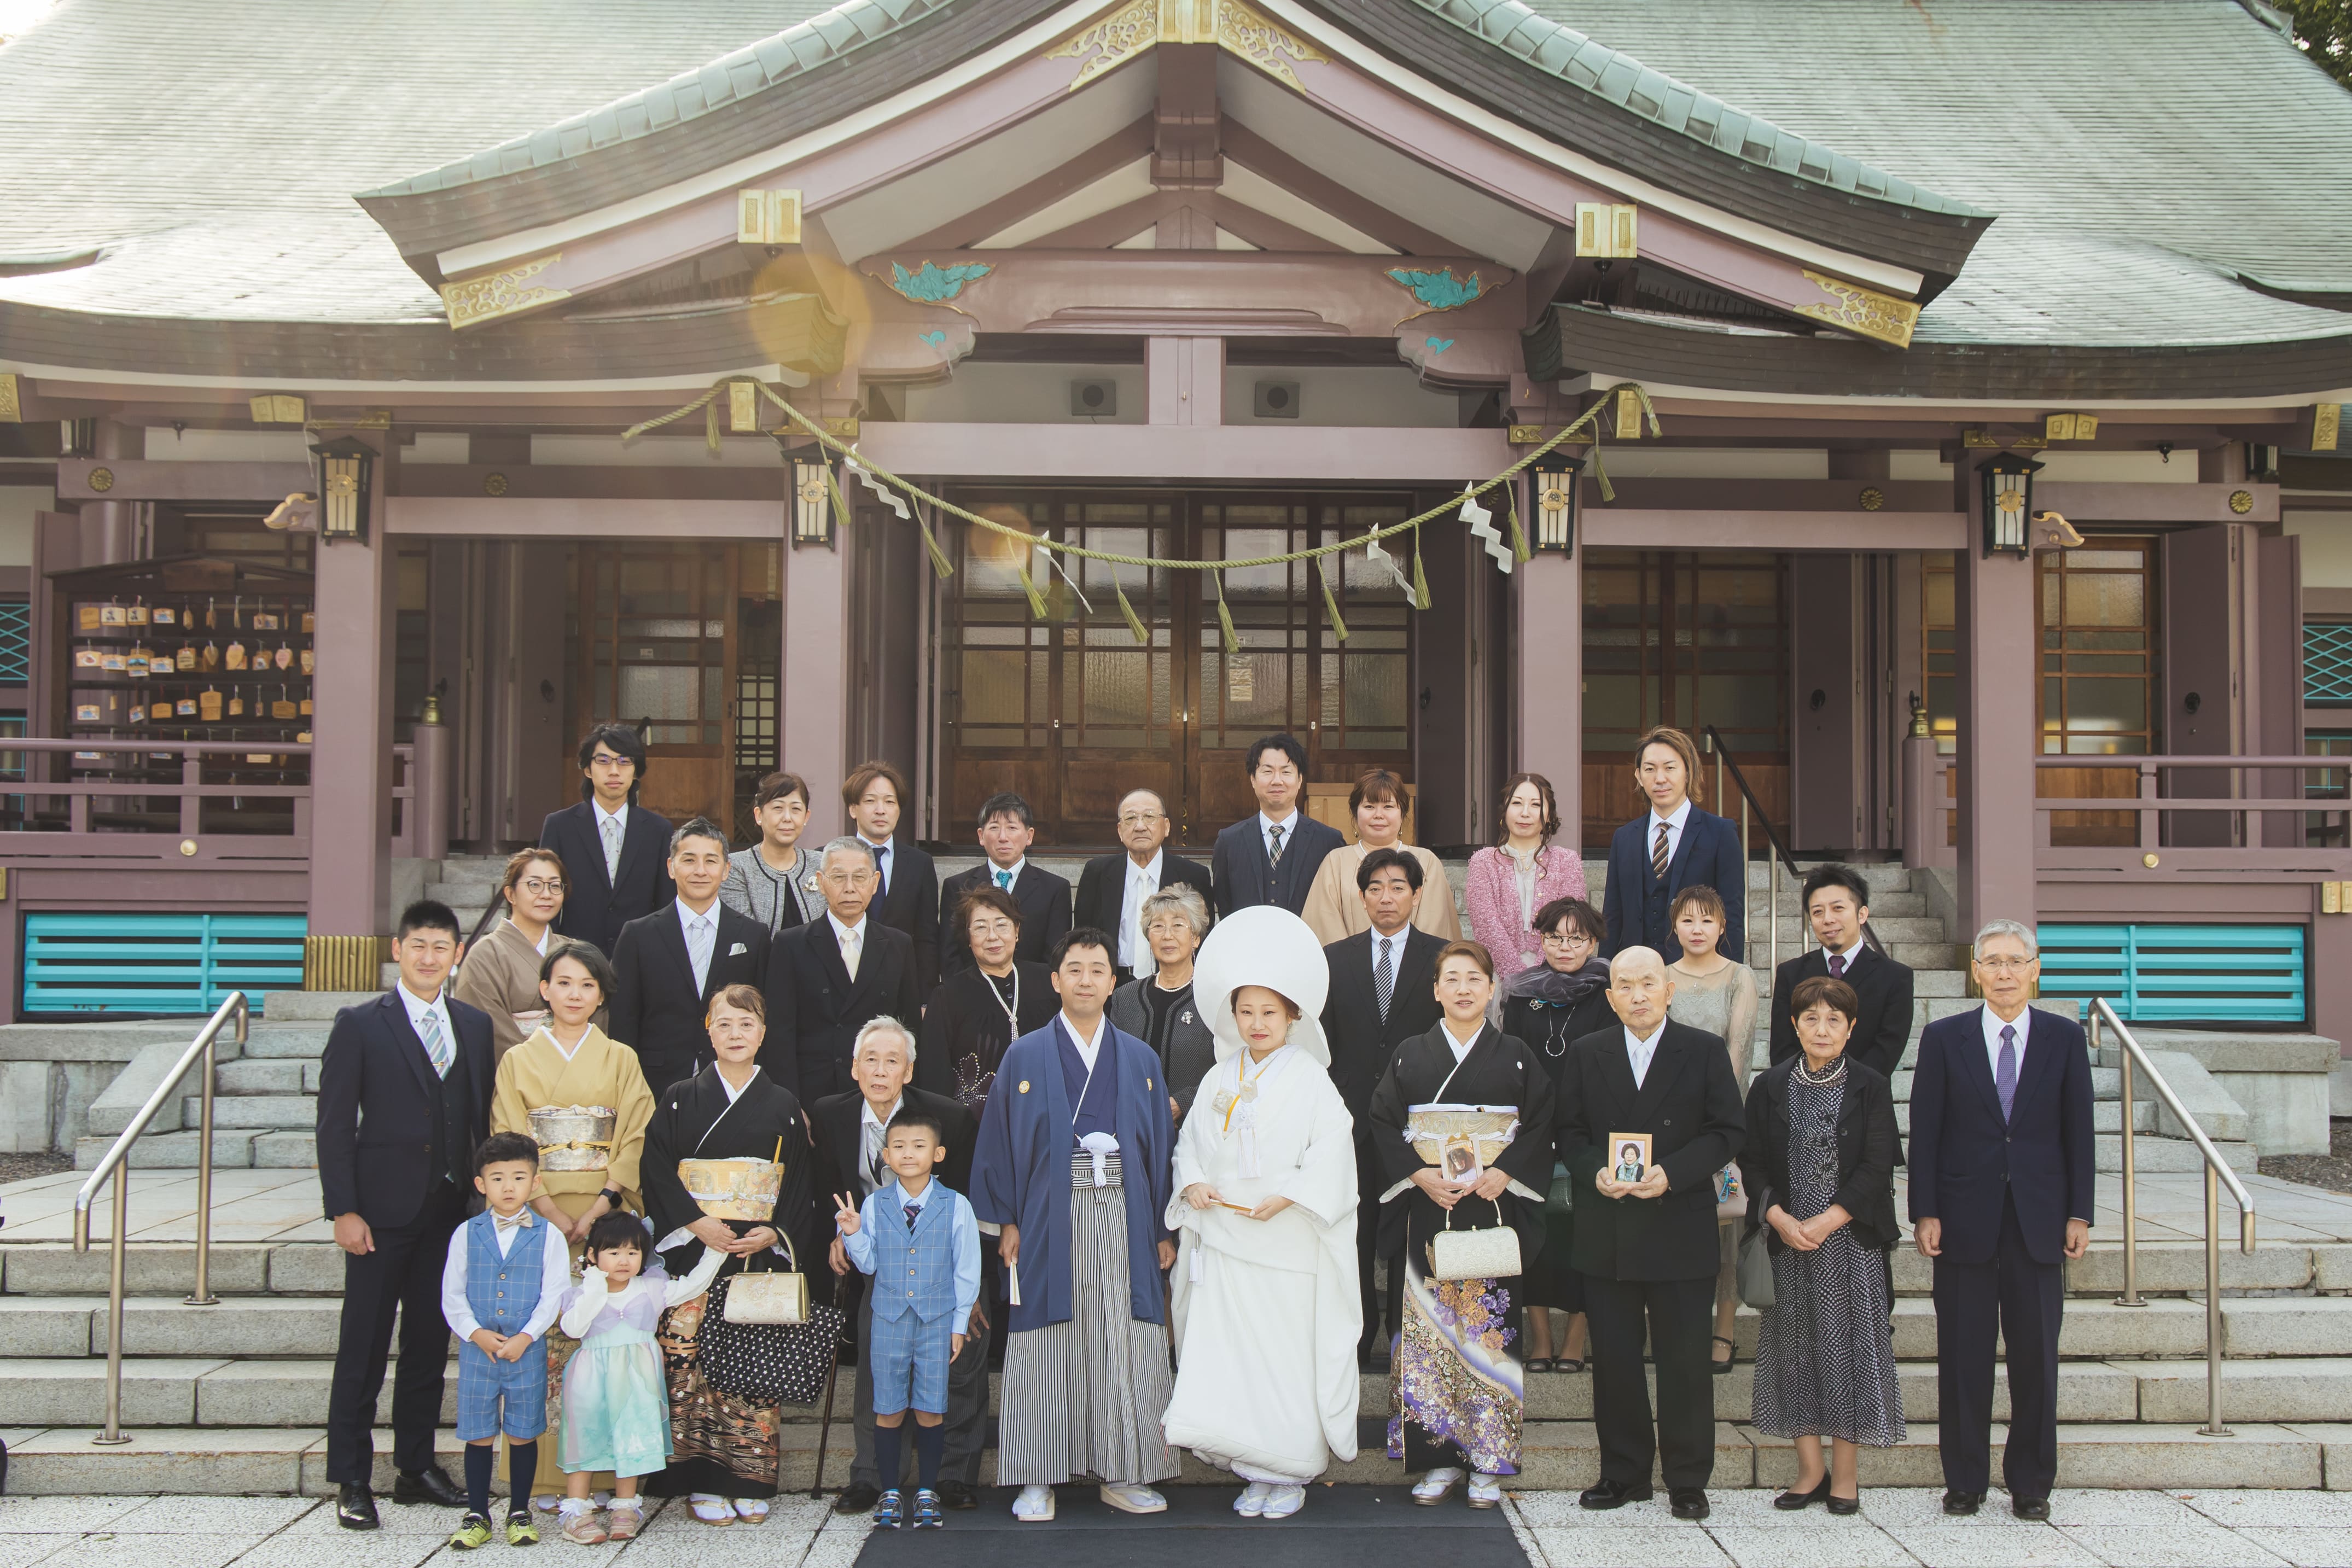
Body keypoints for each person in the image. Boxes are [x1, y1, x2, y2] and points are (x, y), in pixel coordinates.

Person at [969, 928, 1179, 1522]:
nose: (1086, 979)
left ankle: (1125, 1468)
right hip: (1046, 1213)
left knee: (1125, 1336)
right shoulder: (1024, 1055)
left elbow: (1160, 1148)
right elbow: (999, 1140)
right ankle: (1037, 1474)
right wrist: (1007, 1218)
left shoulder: (1139, 1058)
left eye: (1098, 969)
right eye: (1075, 969)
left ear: (1114, 983)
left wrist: (1162, 1226)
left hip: (1125, 1209)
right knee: (1044, 1339)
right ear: (1055, 980)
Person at [1162, 906, 1359, 1518]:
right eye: (1246, 1012)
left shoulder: (1311, 1077)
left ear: (1292, 1016)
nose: (1256, 1023)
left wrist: (1292, 1195)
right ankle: (1253, 1466)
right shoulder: (1220, 1074)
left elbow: (1333, 1148)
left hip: (1285, 1237)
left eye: (1269, 1012)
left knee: (1282, 1355)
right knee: (1235, 1356)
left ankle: (1290, 1468)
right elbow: (1190, 1143)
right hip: (1226, 1237)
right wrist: (1193, 1181)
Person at [316, 900, 494, 1529]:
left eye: (441, 946)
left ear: (457, 955)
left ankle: (415, 1467)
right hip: (379, 1213)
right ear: (397, 950)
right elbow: (334, 1124)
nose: (428, 957)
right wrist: (343, 1208)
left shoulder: (473, 1025)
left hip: (448, 1210)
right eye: (418, 944)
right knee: (363, 1345)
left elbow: (478, 1116)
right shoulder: (360, 1024)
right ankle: (352, 1477)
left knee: (426, 1342)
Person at [1909, 920, 2093, 1522]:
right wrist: (1925, 1209)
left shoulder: (2064, 1038)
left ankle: (2032, 1482)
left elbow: (2079, 1130)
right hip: (1962, 1217)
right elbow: (1926, 1130)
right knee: (1963, 1355)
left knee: (2035, 1356)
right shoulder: (1945, 1037)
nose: (2005, 972)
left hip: (2040, 1219)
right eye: (1993, 961)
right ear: (1976, 971)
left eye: (2016, 961)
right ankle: (1964, 1480)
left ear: (2035, 969)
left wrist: (2080, 1211)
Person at [1554, 945, 1745, 1522]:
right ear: (1610, 997)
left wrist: (1674, 1173)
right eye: (1625, 985)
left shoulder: (1704, 1050)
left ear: (1669, 990)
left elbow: (1726, 1131)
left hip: (1679, 1222)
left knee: (1685, 1362)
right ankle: (1623, 1472)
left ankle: (1687, 1478)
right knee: (1614, 1360)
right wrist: (1595, 1171)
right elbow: (1569, 1131)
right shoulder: (1587, 1051)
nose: (1637, 995)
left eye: (1647, 983)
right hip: (1607, 1226)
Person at [489, 940, 658, 1514]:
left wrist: (603, 1203)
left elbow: (634, 1133)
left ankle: (607, 1471)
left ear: (601, 995)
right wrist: (547, 1207)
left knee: (605, 1343)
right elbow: (509, 1134)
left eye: (587, 984)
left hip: (604, 1218)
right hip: (537, 1215)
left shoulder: (621, 1058)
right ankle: (544, 1478)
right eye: (563, 982)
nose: (575, 994)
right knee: (546, 1341)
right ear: (544, 989)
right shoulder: (518, 1059)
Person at [639, 986, 818, 1526]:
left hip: (753, 1254)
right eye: (725, 1023)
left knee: (751, 1364)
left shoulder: (783, 1104)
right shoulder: (678, 1097)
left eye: (746, 1024)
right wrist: (695, 1221)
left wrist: (773, 1230)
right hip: (695, 1247)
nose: (735, 1033)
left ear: (762, 1033)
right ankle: (697, 1478)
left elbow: (799, 1183)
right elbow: (655, 1166)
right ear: (708, 1030)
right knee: (688, 1360)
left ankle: (748, 1476)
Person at [1742, 976, 1904, 1515]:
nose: (1822, 1028)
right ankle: (1810, 1471)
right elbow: (1752, 1162)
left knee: (1847, 1354)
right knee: (1794, 1354)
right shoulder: (1769, 1085)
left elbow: (1877, 1164)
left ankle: (1846, 1476)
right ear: (1794, 1025)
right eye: (1811, 1018)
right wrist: (1779, 1217)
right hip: (1789, 1239)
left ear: (1851, 1028)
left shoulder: (1869, 1084)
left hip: (1849, 1241)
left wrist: (1829, 1220)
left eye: (1834, 1019)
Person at [811, 1018, 986, 1516]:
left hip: (940, 1257)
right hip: (877, 1254)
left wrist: (967, 1292)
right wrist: (841, 1234)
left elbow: (964, 1198)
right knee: (876, 1353)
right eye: (871, 1060)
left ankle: (952, 1473)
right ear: (854, 1067)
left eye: (892, 1061)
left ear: (909, 1070)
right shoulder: (830, 1113)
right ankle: (870, 1476)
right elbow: (827, 1185)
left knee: (966, 1349)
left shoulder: (947, 1118)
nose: (880, 1070)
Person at [1318, 847, 1445, 1366]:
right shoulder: (1334, 957)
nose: (1385, 897)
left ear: (1417, 894)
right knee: (1354, 1232)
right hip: (1350, 1120)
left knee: (1410, 1234)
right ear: (1361, 896)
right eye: (1375, 888)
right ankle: (1357, 1332)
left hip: (1417, 1125)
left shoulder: (1442, 958)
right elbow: (1323, 1043)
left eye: (1397, 887)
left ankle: (1404, 1336)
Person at [551, 1211, 726, 1544]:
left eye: (633, 1252)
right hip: (591, 1377)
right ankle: (577, 1513)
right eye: (614, 1252)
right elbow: (573, 1328)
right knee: (585, 1437)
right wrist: (594, 1288)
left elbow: (695, 1284)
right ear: (593, 1255)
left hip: (637, 1380)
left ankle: (625, 1508)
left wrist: (716, 1250)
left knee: (631, 1437)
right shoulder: (583, 1292)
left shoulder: (650, 1288)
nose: (624, 1260)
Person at [440, 1132, 568, 1550]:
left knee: (522, 1430)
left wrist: (527, 1335)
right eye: (497, 1178)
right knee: (478, 1431)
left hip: (525, 1350)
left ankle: (519, 1512)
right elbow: (452, 1293)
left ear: (535, 1182)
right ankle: (477, 1513)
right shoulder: (466, 1233)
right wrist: (474, 1332)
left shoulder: (550, 1235)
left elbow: (555, 1293)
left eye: (518, 1177)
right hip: (478, 1350)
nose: (508, 1187)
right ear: (481, 1184)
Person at [1501, 896, 1612, 1375]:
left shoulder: (1608, 991)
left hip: (1589, 1129)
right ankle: (1542, 1337)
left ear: (1593, 943)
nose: (1565, 947)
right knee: (1535, 1234)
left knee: (1584, 1235)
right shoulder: (1521, 992)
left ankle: (1576, 1337)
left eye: (1577, 938)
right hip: (1533, 1128)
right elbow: (1512, 1061)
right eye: (1555, 937)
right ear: (1540, 939)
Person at [1663, 884, 1760, 1375]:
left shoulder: (1740, 976)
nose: (1697, 929)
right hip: (1668, 1121)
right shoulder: (1661, 976)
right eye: (1688, 919)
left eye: (1707, 920)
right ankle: (1677, 1326)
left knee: (1725, 1223)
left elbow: (1738, 1049)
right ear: (1674, 927)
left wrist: (1719, 1119)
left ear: (1723, 926)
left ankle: (1723, 1329)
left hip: (1722, 1116)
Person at [610, 817, 772, 1091]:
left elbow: (765, 1014)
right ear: (671, 867)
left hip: (733, 1079)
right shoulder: (638, 935)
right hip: (654, 1082)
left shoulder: (753, 935)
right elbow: (623, 1019)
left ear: (726, 870)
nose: (700, 871)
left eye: (711, 861)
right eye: (689, 860)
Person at [763, 836, 923, 1104]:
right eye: (838, 878)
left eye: (859, 878)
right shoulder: (791, 944)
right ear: (821, 882)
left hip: (879, 1093)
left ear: (875, 883)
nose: (850, 888)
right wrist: (790, 1105)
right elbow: (780, 1034)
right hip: (812, 1093)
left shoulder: (899, 945)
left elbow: (910, 1029)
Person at [1600, 727, 1745, 964]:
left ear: (1688, 772)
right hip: (1636, 971)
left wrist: (1731, 974)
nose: (1660, 779)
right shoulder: (1624, 837)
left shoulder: (1720, 833)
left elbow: (1733, 913)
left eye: (1670, 768)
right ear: (1639, 776)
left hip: (1699, 971)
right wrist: (1605, 971)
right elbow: (1612, 916)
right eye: (1650, 769)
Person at [1768, 865, 1916, 1082]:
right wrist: (1809, 1086)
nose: (1828, 919)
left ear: (1862, 914)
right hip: (1799, 1095)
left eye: (1838, 908)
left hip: (1864, 1096)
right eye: (1818, 912)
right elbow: (1782, 1048)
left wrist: (1840, 1089)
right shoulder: (1790, 973)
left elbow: (1887, 1051)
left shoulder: (1895, 977)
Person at [917, 886, 1056, 1115]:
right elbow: (934, 1075)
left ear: (1017, 931)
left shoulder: (1049, 981)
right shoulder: (948, 996)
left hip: (1045, 1114)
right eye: (981, 927)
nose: (993, 936)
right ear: (969, 938)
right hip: (976, 1123)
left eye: (1002, 925)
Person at [539, 725, 676, 956]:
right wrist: (550, 955)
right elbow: (546, 896)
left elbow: (666, 904)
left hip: (639, 956)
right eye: (603, 761)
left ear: (636, 771)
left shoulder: (658, 830)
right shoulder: (559, 826)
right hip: (574, 957)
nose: (614, 771)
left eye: (624, 761)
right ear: (588, 769)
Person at [1300, 768, 1462, 945]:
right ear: (1355, 812)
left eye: (1388, 807)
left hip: (1414, 961)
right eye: (1369, 806)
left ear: (1403, 813)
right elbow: (1324, 925)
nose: (1378, 815)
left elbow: (1435, 926)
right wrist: (1353, 958)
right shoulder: (1335, 862)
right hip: (1349, 962)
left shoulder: (1427, 862)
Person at [1072, 787, 1214, 981]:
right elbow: (1083, 937)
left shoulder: (1194, 875)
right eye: (1130, 818)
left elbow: (1203, 938)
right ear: (1120, 830)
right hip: (1113, 984)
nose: (1140, 826)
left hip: (1173, 982)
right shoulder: (1097, 873)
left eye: (1149, 817)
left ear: (1166, 827)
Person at [1464, 773, 1590, 987]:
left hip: (1556, 976)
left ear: (1549, 815)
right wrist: (1519, 980)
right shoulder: (1483, 862)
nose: (1525, 813)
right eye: (1517, 803)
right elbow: (1486, 927)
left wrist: (1541, 975)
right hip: (1499, 977)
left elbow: (1569, 923)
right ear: (1505, 810)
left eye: (1536, 805)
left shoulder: (1567, 861)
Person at [1105, 884, 1216, 1120]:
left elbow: (1231, 1068)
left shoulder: (1215, 997)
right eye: (1158, 926)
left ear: (1196, 938)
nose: (1167, 935)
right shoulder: (1125, 997)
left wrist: (1183, 1103)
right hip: (1133, 1123)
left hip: (1195, 1125)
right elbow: (1111, 1064)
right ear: (1149, 938)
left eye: (1178, 925)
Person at [451, 848, 569, 1063]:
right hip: (514, 1071)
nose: (546, 894)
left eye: (554, 886)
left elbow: (597, 1014)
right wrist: (541, 1065)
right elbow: (487, 1027)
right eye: (534, 885)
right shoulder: (485, 955)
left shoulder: (573, 951)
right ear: (510, 894)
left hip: (573, 1068)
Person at [1210, 733, 1343, 918]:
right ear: (1253, 779)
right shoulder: (1229, 842)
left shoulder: (1329, 841)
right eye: (1267, 771)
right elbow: (1224, 903)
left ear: (1300, 779)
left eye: (1286, 772)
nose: (1277, 781)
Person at [938, 791, 1072, 974]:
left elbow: (1055, 957)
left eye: (1012, 828)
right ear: (981, 836)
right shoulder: (958, 886)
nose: (1003, 837)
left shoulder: (1055, 889)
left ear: (1029, 836)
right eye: (994, 828)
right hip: (971, 988)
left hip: (1033, 989)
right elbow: (950, 956)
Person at [846, 759, 941, 995]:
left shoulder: (919, 863)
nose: (881, 810)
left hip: (900, 985)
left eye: (890, 802)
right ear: (853, 809)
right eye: (870, 801)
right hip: (844, 981)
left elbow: (927, 937)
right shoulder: (830, 858)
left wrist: (926, 998)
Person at [720, 770, 824, 937]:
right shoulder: (736, 868)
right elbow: (744, 934)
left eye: (796, 809)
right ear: (759, 815)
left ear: (806, 817)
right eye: (778, 808)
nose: (787, 818)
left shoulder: (822, 864)